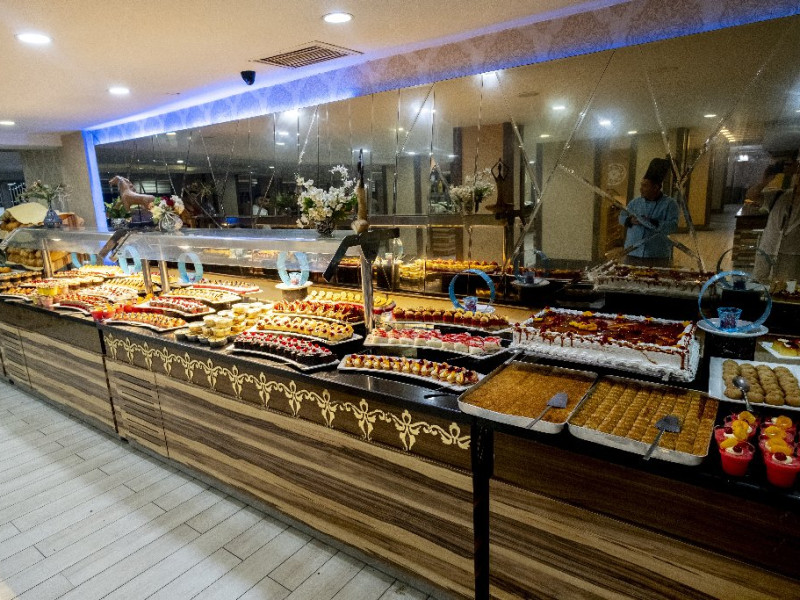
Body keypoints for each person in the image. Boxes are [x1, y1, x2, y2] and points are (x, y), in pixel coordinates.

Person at [618, 158, 679, 267]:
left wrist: (653, 222)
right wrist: (630, 220)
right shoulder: (635, 202)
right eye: (641, 185)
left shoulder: (670, 204)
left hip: (657, 255)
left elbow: (673, 226)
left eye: (645, 186)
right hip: (632, 252)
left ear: (656, 187)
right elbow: (621, 217)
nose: (641, 189)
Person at [754, 154, 800, 282]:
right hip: (767, 249)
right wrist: (764, 181)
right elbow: (752, 195)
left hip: (792, 254)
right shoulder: (779, 195)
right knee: (758, 285)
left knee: (785, 288)